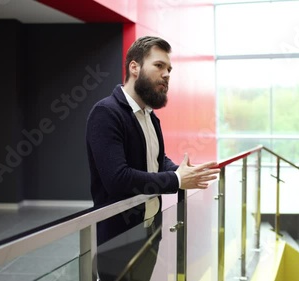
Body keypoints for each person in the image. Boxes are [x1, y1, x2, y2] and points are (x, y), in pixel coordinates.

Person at [86, 36, 220, 279]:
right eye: (159, 66)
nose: (167, 74)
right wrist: (176, 180)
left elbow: (155, 160)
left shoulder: (149, 115)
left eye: (169, 69)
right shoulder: (106, 113)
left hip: (150, 230)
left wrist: (181, 170)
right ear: (134, 67)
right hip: (118, 238)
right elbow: (117, 179)